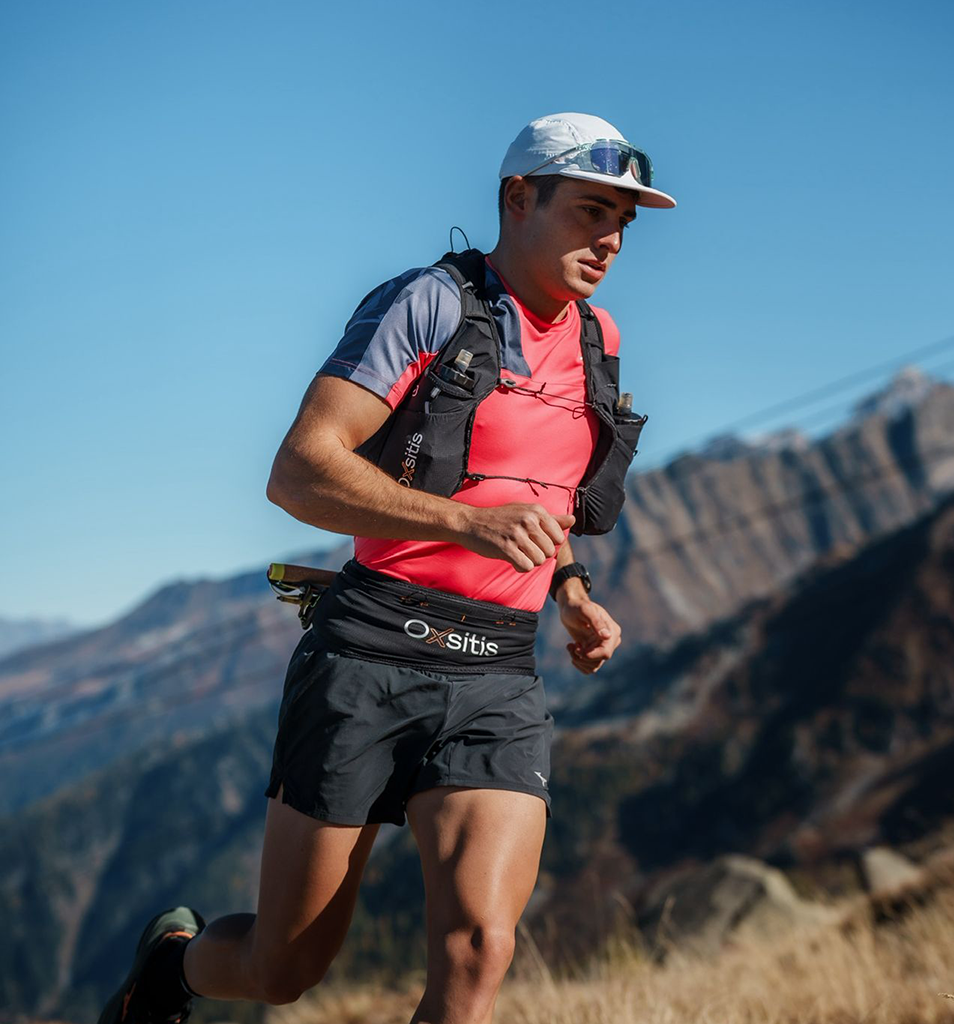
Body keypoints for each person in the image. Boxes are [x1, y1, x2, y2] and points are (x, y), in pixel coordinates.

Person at [98, 111, 675, 1024]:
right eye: (590, 211)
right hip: (371, 653)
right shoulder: (429, 305)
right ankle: (171, 966)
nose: (610, 240)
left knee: (481, 949)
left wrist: (570, 590)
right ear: (517, 198)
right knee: (286, 967)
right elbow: (299, 471)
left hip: (498, 672)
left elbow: (541, 495)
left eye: (623, 222)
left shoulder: (597, 338)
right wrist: (464, 524)